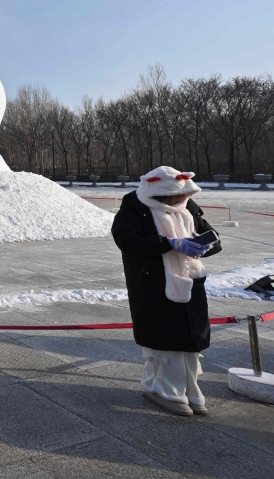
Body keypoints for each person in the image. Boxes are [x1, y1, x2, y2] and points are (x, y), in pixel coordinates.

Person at [112, 166, 221, 417]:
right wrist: (169, 244)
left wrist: (204, 244)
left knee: (189, 341)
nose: (177, 202)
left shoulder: (188, 207)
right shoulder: (134, 209)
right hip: (154, 286)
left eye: (181, 197)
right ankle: (162, 389)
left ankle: (191, 391)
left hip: (190, 281)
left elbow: (212, 236)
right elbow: (128, 242)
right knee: (163, 341)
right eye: (172, 198)